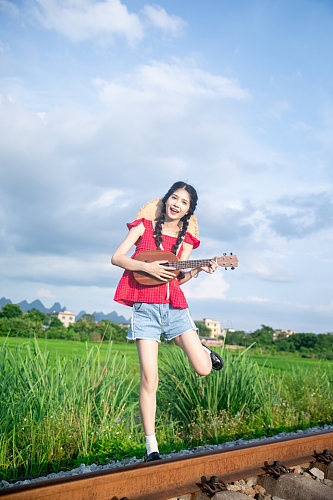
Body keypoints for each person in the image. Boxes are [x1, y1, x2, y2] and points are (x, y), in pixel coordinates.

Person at [111, 181, 223, 462]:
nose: (177, 204)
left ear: (188, 210)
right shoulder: (143, 226)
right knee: (150, 378)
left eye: (184, 202)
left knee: (203, 370)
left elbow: (178, 278)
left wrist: (197, 268)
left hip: (173, 307)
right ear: (166, 199)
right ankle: (152, 448)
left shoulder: (185, 240)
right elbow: (117, 258)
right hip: (145, 310)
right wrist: (145, 266)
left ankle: (204, 351)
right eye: (174, 198)